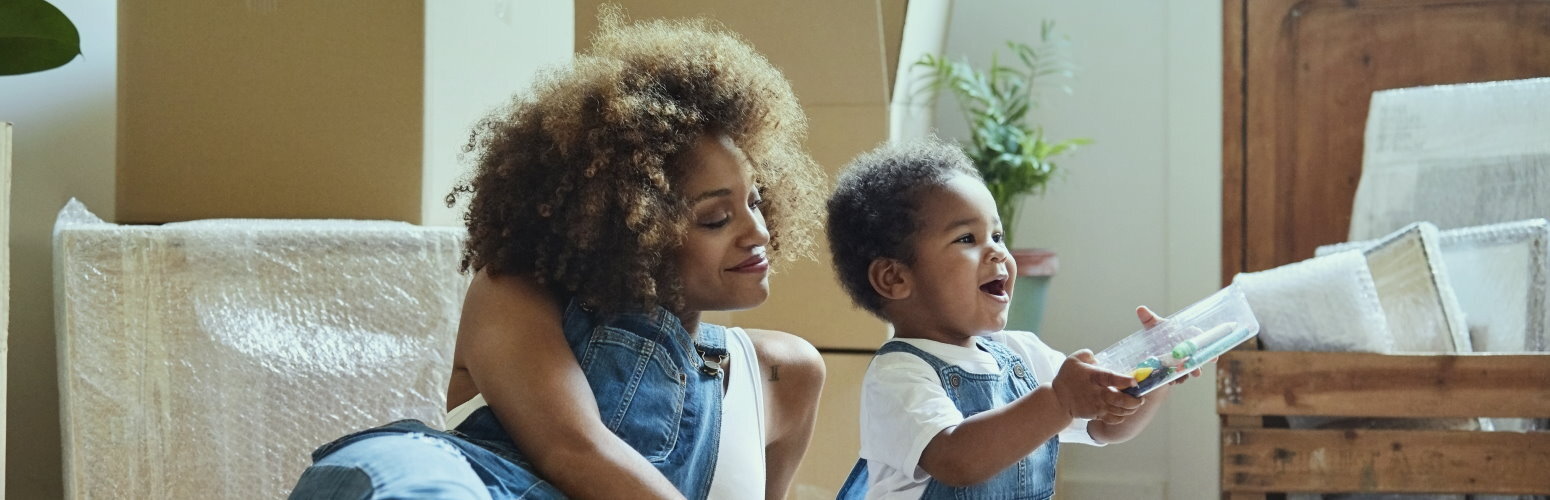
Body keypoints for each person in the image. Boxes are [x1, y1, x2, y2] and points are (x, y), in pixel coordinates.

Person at [288, 9, 828, 500]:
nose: (757, 231)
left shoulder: (786, 373)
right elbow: (574, 451)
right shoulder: (515, 296)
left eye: (755, 202)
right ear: (629, 227)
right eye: (715, 218)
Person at [824, 140, 1197, 499]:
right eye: (967, 238)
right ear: (896, 278)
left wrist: (1155, 374)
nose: (997, 253)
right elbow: (957, 459)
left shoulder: (1021, 353)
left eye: (998, 236)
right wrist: (1059, 400)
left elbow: (1105, 425)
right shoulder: (898, 376)